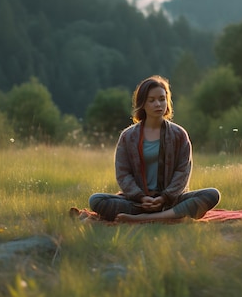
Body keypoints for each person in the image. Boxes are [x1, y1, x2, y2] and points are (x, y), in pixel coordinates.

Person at [89, 75, 220, 222]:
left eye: (162, 99)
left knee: (212, 195)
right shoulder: (128, 136)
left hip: (171, 200)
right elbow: (123, 173)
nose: (158, 104)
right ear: (142, 104)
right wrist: (141, 197)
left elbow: (182, 172)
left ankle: (143, 218)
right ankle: (168, 216)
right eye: (152, 100)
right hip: (137, 202)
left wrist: (164, 197)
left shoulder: (179, 135)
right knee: (96, 200)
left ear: (167, 101)